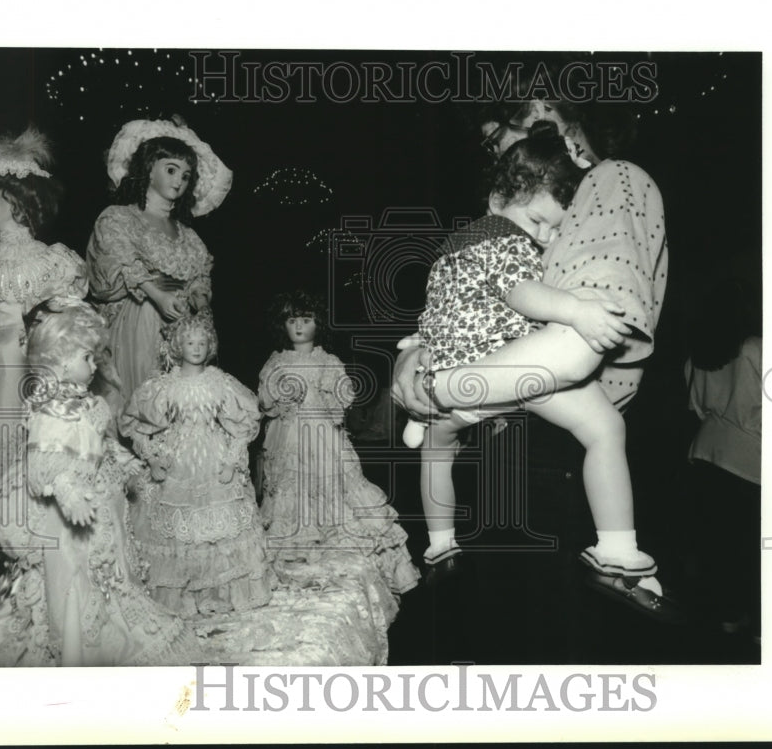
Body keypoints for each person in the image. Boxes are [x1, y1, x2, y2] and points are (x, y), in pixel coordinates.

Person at [393, 96, 675, 619]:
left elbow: (439, 309)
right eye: (540, 221)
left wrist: (413, 355)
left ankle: (441, 544)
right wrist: (577, 310)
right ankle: (615, 547)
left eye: (552, 229)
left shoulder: (462, 242)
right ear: (501, 194)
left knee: (438, 450)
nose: (543, 236)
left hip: (469, 370)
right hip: (496, 366)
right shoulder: (502, 234)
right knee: (604, 430)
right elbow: (522, 294)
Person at [0, 304, 203, 666]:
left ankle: (105, 628)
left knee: (108, 575)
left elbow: (101, 448)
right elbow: (39, 465)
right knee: (71, 578)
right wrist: (66, 491)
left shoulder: (90, 405)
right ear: (64, 361)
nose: (95, 365)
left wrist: (130, 465)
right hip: (64, 519)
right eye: (88, 356)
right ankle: (72, 638)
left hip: (98, 505)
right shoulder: (49, 409)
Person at [0, 127, 87, 603]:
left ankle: (19, 569)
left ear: (17, 198)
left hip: (24, 381)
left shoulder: (52, 263)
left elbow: (70, 331)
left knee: (17, 465)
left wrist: (27, 325)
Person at [259, 290, 420, 596]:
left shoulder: (327, 359)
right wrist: (281, 394)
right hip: (290, 434)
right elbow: (266, 396)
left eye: (306, 320)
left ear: (317, 323)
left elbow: (342, 390)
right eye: (292, 320)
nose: (298, 326)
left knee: (335, 484)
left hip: (322, 435)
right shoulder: (277, 361)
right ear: (283, 325)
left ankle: (335, 538)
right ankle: (298, 544)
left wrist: (338, 391)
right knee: (290, 489)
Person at [120, 312, 274, 617]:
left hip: (213, 460)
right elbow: (136, 422)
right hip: (177, 460)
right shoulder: (164, 386)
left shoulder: (220, 382)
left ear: (211, 345)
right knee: (177, 530)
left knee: (219, 528)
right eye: (190, 341)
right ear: (178, 345)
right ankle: (182, 594)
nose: (196, 347)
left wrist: (232, 460)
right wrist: (151, 458)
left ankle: (220, 591)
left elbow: (242, 424)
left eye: (202, 341)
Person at [85, 117, 231, 411]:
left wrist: (199, 298)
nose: (179, 180)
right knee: (140, 398)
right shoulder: (119, 218)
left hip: (182, 327)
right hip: (139, 319)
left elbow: (199, 276)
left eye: (186, 176)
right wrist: (157, 295)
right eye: (171, 170)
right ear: (149, 170)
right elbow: (115, 262)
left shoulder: (189, 235)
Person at [684, 278, 762, 638]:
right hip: (748, 460)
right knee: (749, 549)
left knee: (717, 547)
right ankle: (754, 624)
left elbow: (696, 408)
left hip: (705, 453)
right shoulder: (754, 348)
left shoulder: (699, 354)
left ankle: (727, 618)